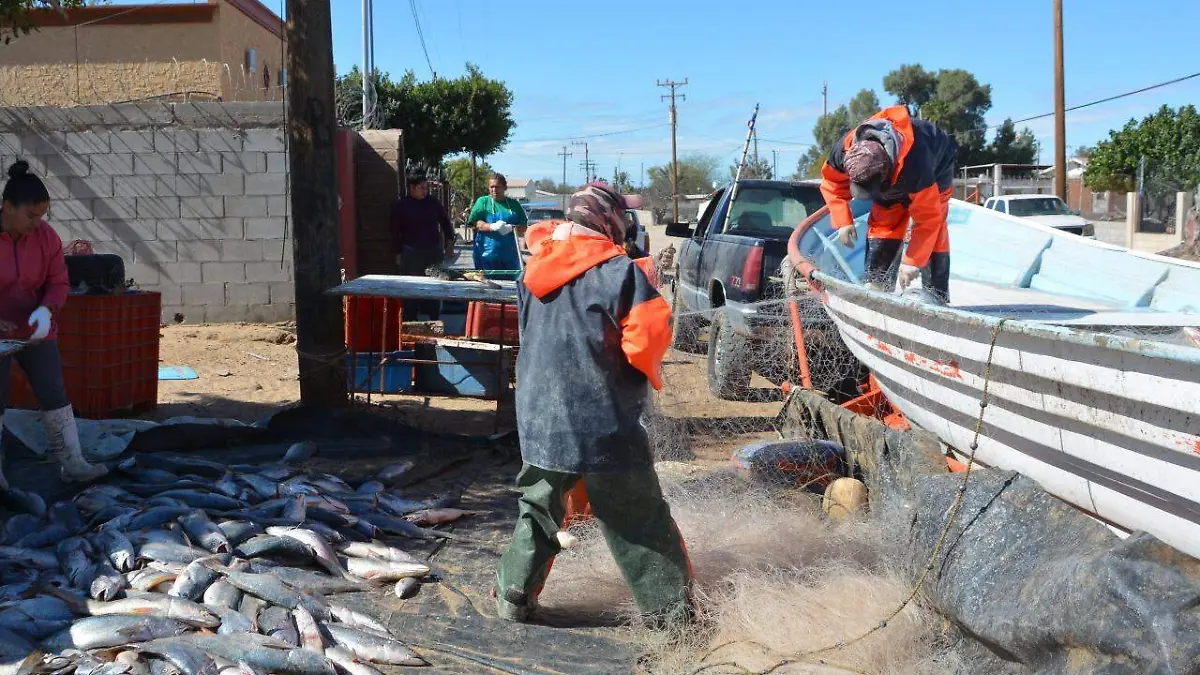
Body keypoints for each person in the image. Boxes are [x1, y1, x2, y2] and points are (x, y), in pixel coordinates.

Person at [493, 182, 693, 626]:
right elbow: (646, 343)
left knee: (539, 508)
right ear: (610, 220)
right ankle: (673, 618)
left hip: (540, 417)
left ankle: (513, 600)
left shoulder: (532, 269)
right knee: (636, 517)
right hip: (604, 421)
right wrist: (649, 373)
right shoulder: (621, 272)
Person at [0, 161, 108, 488]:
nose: (37, 223)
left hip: (35, 330)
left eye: (42, 216)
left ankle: (72, 463)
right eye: (31, 216)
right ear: (7, 207)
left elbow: (58, 281)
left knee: (54, 393)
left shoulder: (46, 238)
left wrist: (47, 310)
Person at [820, 104, 958, 301]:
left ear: (886, 173)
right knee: (885, 221)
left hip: (937, 164)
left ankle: (937, 296)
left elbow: (929, 218)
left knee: (935, 232)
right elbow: (831, 182)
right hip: (897, 172)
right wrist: (843, 220)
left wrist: (912, 261)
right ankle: (877, 287)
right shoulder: (844, 150)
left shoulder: (917, 166)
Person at [390, 173, 456, 321]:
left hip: (433, 252)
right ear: (412, 188)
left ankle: (434, 322)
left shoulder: (433, 203)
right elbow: (394, 232)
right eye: (421, 188)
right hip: (411, 254)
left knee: (434, 288)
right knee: (412, 290)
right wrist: (397, 253)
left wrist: (450, 243)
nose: (424, 191)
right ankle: (410, 325)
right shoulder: (401, 206)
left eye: (426, 187)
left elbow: (445, 222)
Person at [468, 173, 528, 271]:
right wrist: (491, 226)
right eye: (492, 187)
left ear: (504, 187)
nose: (494, 190)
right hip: (486, 255)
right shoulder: (483, 202)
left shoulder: (514, 205)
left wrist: (511, 228)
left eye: (497, 187)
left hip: (510, 257)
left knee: (510, 285)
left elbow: (523, 227)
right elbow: (474, 223)